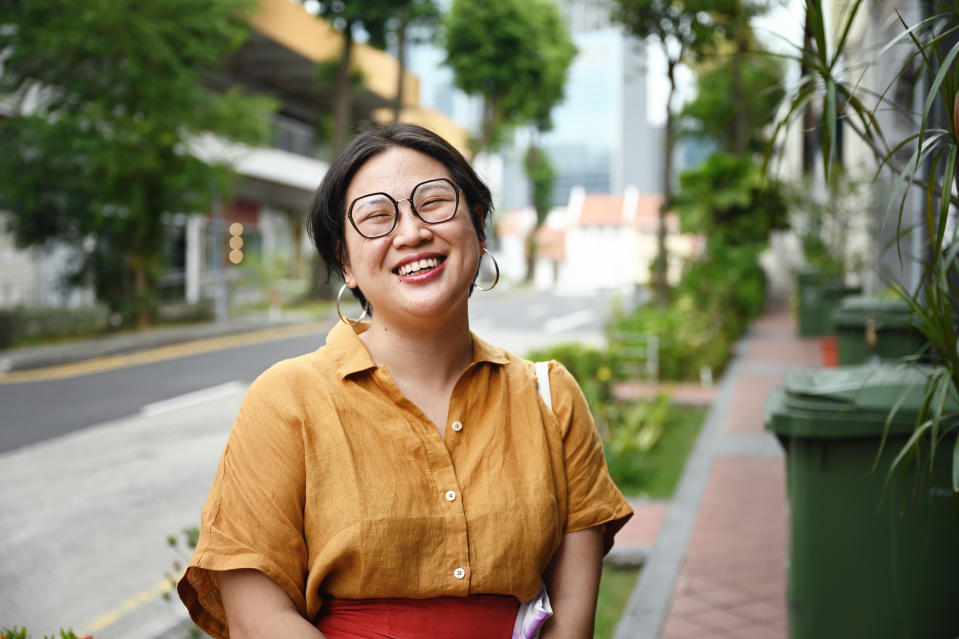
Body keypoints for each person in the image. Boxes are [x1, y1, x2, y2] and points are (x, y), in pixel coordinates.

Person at [177, 123, 633, 639]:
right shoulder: (287, 401)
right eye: (376, 216)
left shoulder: (550, 398)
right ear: (345, 261)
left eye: (433, 203)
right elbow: (256, 618)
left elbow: (574, 611)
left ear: (479, 227)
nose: (411, 232)